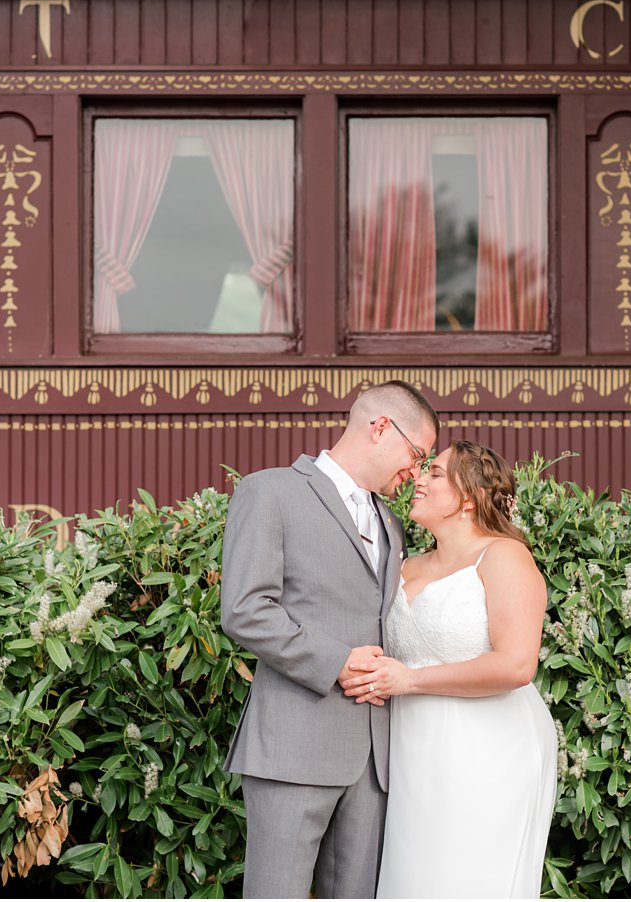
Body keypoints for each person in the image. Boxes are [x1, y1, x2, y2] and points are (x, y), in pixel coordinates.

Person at [220, 380, 440, 898]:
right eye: (416, 455)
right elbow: (245, 608)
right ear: (380, 427)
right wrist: (336, 661)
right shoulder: (269, 491)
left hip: (372, 759)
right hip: (293, 744)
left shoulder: (390, 521)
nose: (414, 473)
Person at [341, 441, 557, 898]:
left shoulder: (503, 556)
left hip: (488, 747)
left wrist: (411, 680)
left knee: (466, 874)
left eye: (434, 473)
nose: (418, 479)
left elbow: (517, 664)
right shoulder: (404, 564)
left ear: (469, 496)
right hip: (411, 747)